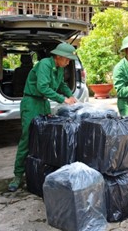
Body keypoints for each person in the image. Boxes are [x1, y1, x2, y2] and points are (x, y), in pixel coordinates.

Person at [8, 43, 78, 192]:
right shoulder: (44, 64)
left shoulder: (59, 68)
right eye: (67, 59)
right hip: (31, 102)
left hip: (43, 103)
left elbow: (61, 85)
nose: (68, 62)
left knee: (45, 137)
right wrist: (63, 100)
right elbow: (43, 87)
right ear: (58, 56)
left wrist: (71, 95)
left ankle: (38, 171)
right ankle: (18, 175)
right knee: (27, 138)